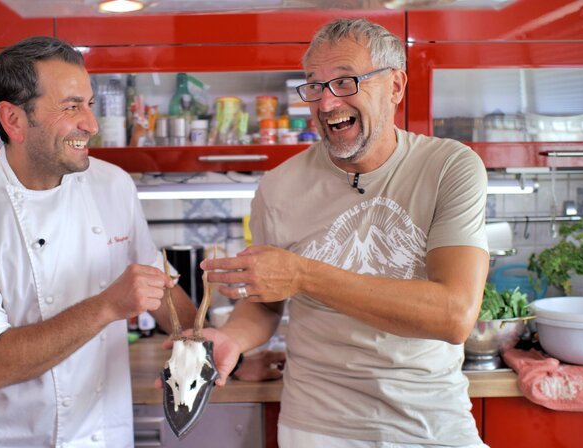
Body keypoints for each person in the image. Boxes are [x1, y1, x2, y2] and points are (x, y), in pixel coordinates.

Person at [201, 18, 489, 448]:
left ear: (395, 86)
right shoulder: (278, 187)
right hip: (316, 426)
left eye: (344, 81)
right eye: (314, 85)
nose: (326, 102)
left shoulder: (449, 167)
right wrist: (231, 338)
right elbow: (265, 306)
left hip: (431, 421)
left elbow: (454, 315)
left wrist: (304, 275)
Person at [0, 36, 204, 447]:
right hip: (1, 439)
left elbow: (158, 287)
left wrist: (204, 341)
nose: (91, 124)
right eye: (71, 107)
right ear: (14, 119)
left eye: (89, 104)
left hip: (99, 435)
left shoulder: (113, 185)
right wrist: (108, 305)